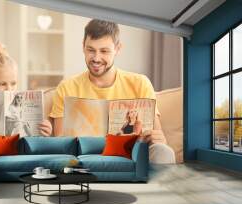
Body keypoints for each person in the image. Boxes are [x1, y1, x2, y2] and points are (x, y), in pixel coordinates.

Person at [49, 19, 175, 164]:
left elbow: (157, 139)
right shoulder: (66, 88)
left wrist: (160, 139)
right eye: (91, 50)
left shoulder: (140, 83)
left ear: (117, 49)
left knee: (163, 152)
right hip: (85, 160)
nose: (96, 58)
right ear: (83, 47)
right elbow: (61, 142)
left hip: (131, 157)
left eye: (104, 51)